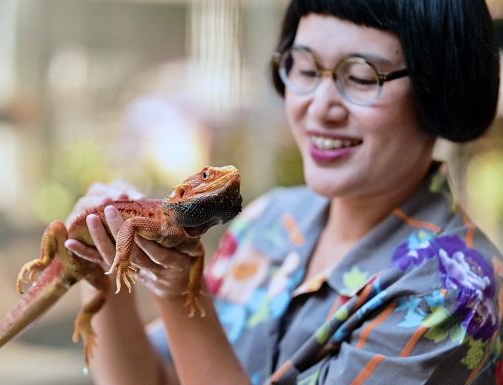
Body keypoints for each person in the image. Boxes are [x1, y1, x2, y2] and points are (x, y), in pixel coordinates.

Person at [64, 1, 503, 384]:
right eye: (305, 69)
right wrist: (98, 264)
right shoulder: (268, 221)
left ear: (439, 87)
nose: (319, 105)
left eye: (362, 77)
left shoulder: (453, 289)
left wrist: (177, 293)